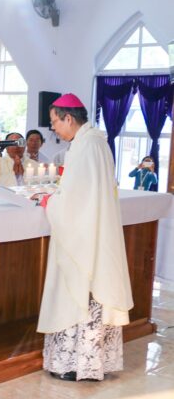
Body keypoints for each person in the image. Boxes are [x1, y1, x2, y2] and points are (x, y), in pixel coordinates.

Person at [36, 93, 132, 382]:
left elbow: (74, 202)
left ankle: (74, 364)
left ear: (68, 118)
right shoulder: (95, 142)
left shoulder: (85, 146)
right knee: (89, 291)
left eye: (54, 122)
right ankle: (88, 364)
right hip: (94, 231)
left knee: (77, 288)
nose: (53, 128)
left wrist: (50, 202)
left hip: (84, 237)